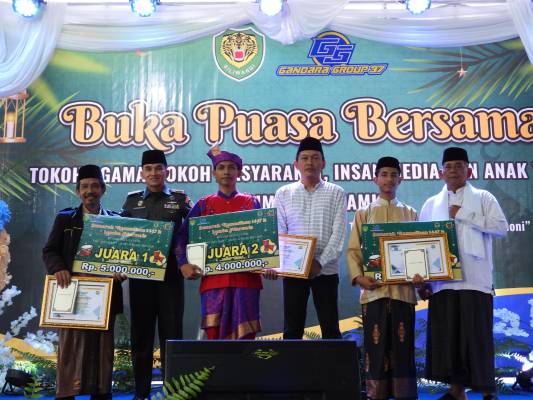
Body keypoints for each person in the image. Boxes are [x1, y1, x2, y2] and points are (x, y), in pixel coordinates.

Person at [419, 147, 508, 400]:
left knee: (477, 338)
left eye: (459, 166)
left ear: (469, 171)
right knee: (449, 341)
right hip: (443, 284)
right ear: (440, 173)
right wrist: (423, 282)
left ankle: (488, 392)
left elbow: (501, 227)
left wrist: (463, 214)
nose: (453, 170)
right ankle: (456, 391)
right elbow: (424, 244)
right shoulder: (430, 204)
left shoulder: (484, 198)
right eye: (448, 166)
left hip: (475, 281)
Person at [42, 164, 125, 400]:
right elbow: (50, 250)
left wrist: (122, 270)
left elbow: (125, 257)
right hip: (72, 294)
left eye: (95, 186)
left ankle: (101, 394)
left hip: (105, 298)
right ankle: (66, 394)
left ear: (103, 189)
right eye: (85, 186)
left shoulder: (117, 221)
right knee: (69, 349)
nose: (90, 191)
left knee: (102, 352)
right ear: (78, 190)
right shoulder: (65, 219)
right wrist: (58, 268)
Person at [178, 146, 276, 340]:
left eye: (231, 167)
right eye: (221, 167)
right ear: (213, 173)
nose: (226, 172)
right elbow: (182, 237)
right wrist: (183, 264)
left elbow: (266, 240)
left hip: (246, 282)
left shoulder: (252, 203)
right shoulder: (203, 204)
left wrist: (270, 264)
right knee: (215, 339)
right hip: (213, 283)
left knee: (245, 340)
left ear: (239, 172)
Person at [346, 156, 423, 400]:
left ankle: (404, 395)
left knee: (403, 347)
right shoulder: (364, 213)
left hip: (403, 293)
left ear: (400, 179)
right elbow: (353, 250)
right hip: (374, 292)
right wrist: (359, 277)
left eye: (393, 174)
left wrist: (420, 276)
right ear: (375, 179)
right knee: (375, 348)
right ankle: (375, 395)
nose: (389, 179)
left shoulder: (410, 213)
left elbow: (418, 249)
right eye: (384, 174)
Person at [121, 150, 192, 400]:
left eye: (158, 168)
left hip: (171, 277)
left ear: (166, 171)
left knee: (171, 335)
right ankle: (141, 393)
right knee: (141, 336)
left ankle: (172, 392)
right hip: (140, 278)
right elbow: (120, 237)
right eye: (149, 169)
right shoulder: (131, 201)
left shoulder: (180, 200)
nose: (154, 173)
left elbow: (194, 232)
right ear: (142, 173)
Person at [273, 137, 347, 339]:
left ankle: (332, 363)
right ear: (296, 164)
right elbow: (279, 233)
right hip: (293, 271)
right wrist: (278, 263)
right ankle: (292, 362)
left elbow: (338, 235)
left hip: (326, 270)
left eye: (315, 158)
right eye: (304, 158)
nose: (310, 162)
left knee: (331, 329)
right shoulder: (283, 193)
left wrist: (319, 263)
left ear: (323, 163)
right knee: (292, 330)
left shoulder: (336, 193)